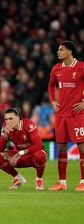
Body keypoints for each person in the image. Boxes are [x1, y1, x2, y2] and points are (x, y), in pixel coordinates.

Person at [48, 41, 84, 191]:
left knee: (82, 147)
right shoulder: (56, 69)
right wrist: (53, 101)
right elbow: (51, 85)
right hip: (61, 114)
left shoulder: (81, 67)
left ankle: (83, 182)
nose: (58, 52)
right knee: (61, 147)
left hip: (77, 113)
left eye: (61, 50)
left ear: (69, 51)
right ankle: (62, 183)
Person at [0, 108, 47, 190]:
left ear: (18, 118)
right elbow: (1, 149)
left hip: (32, 156)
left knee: (40, 155)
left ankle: (39, 180)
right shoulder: (5, 126)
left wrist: (19, 153)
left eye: (11, 119)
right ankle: (18, 178)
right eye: (6, 119)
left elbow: (38, 145)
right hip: (20, 157)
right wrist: (5, 137)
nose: (8, 122)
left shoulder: (28, 124)